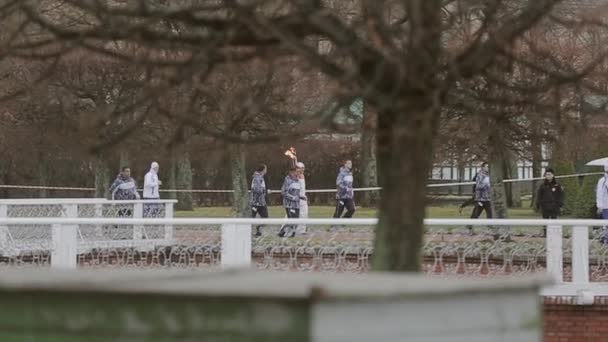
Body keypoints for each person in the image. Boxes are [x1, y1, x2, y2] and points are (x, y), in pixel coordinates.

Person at [535, 168, 564, 237]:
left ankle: (554, 234)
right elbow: (539, 195)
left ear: (553, 175)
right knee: (545, 221)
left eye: (549, 174)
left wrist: (560, 204)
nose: (548, 176)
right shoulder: (542, 185)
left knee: (554, 221)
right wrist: (538, 204)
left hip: (554, 207)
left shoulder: (557, 185)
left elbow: (561, 195)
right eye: (546, 174)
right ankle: (545, 234)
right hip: (545, 207)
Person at [279, 167, 304, 238]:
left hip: (296, 204)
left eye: (297, 172)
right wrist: (293, 198)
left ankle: (292, 233)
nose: (297, 173)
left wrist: (301, 197)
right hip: (289, 204)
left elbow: (296, 193)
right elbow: (283, 192)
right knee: (292, 220)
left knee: (296, 220)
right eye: (295, 172)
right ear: (291, 172)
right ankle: (283, 231)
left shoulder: (297, 181)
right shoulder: (287, 181)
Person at [469, 162, 492, 231]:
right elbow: (478, 187)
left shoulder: (489, 175)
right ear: (483, 167)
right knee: (476, 213)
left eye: (489, 167)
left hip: (488, 198)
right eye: (487, 166)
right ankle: (469, 225)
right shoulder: (480, 175)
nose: (488, 168)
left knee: (490, 213)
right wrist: (486, 184)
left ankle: (490, 227)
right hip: (481, 198)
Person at [250, 164, 269, 237]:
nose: (266, 171)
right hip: (255, 202)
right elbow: (257, 190)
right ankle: (247, 232)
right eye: (265, 169)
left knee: (265, 219)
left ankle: (258, 229)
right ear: (263, 170)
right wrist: (266, 191)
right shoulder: (257, 178)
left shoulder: (260, 177)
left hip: (261, 202)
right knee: (251, 219)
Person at [596, 163, 608, 244]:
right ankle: (605, 238)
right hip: (606, 206)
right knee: (606, 222)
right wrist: (600, 206)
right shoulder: (602, 180)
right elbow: (599, 193)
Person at [296, 162, 308, 234]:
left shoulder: (302, 176)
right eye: (301, 168)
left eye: (303, 168)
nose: (302, 169)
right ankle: (285, 228)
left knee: (304, 214)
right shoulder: (295, 177)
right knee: (293, 215)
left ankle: (302, 230)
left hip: (303, 198)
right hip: (298, 199)